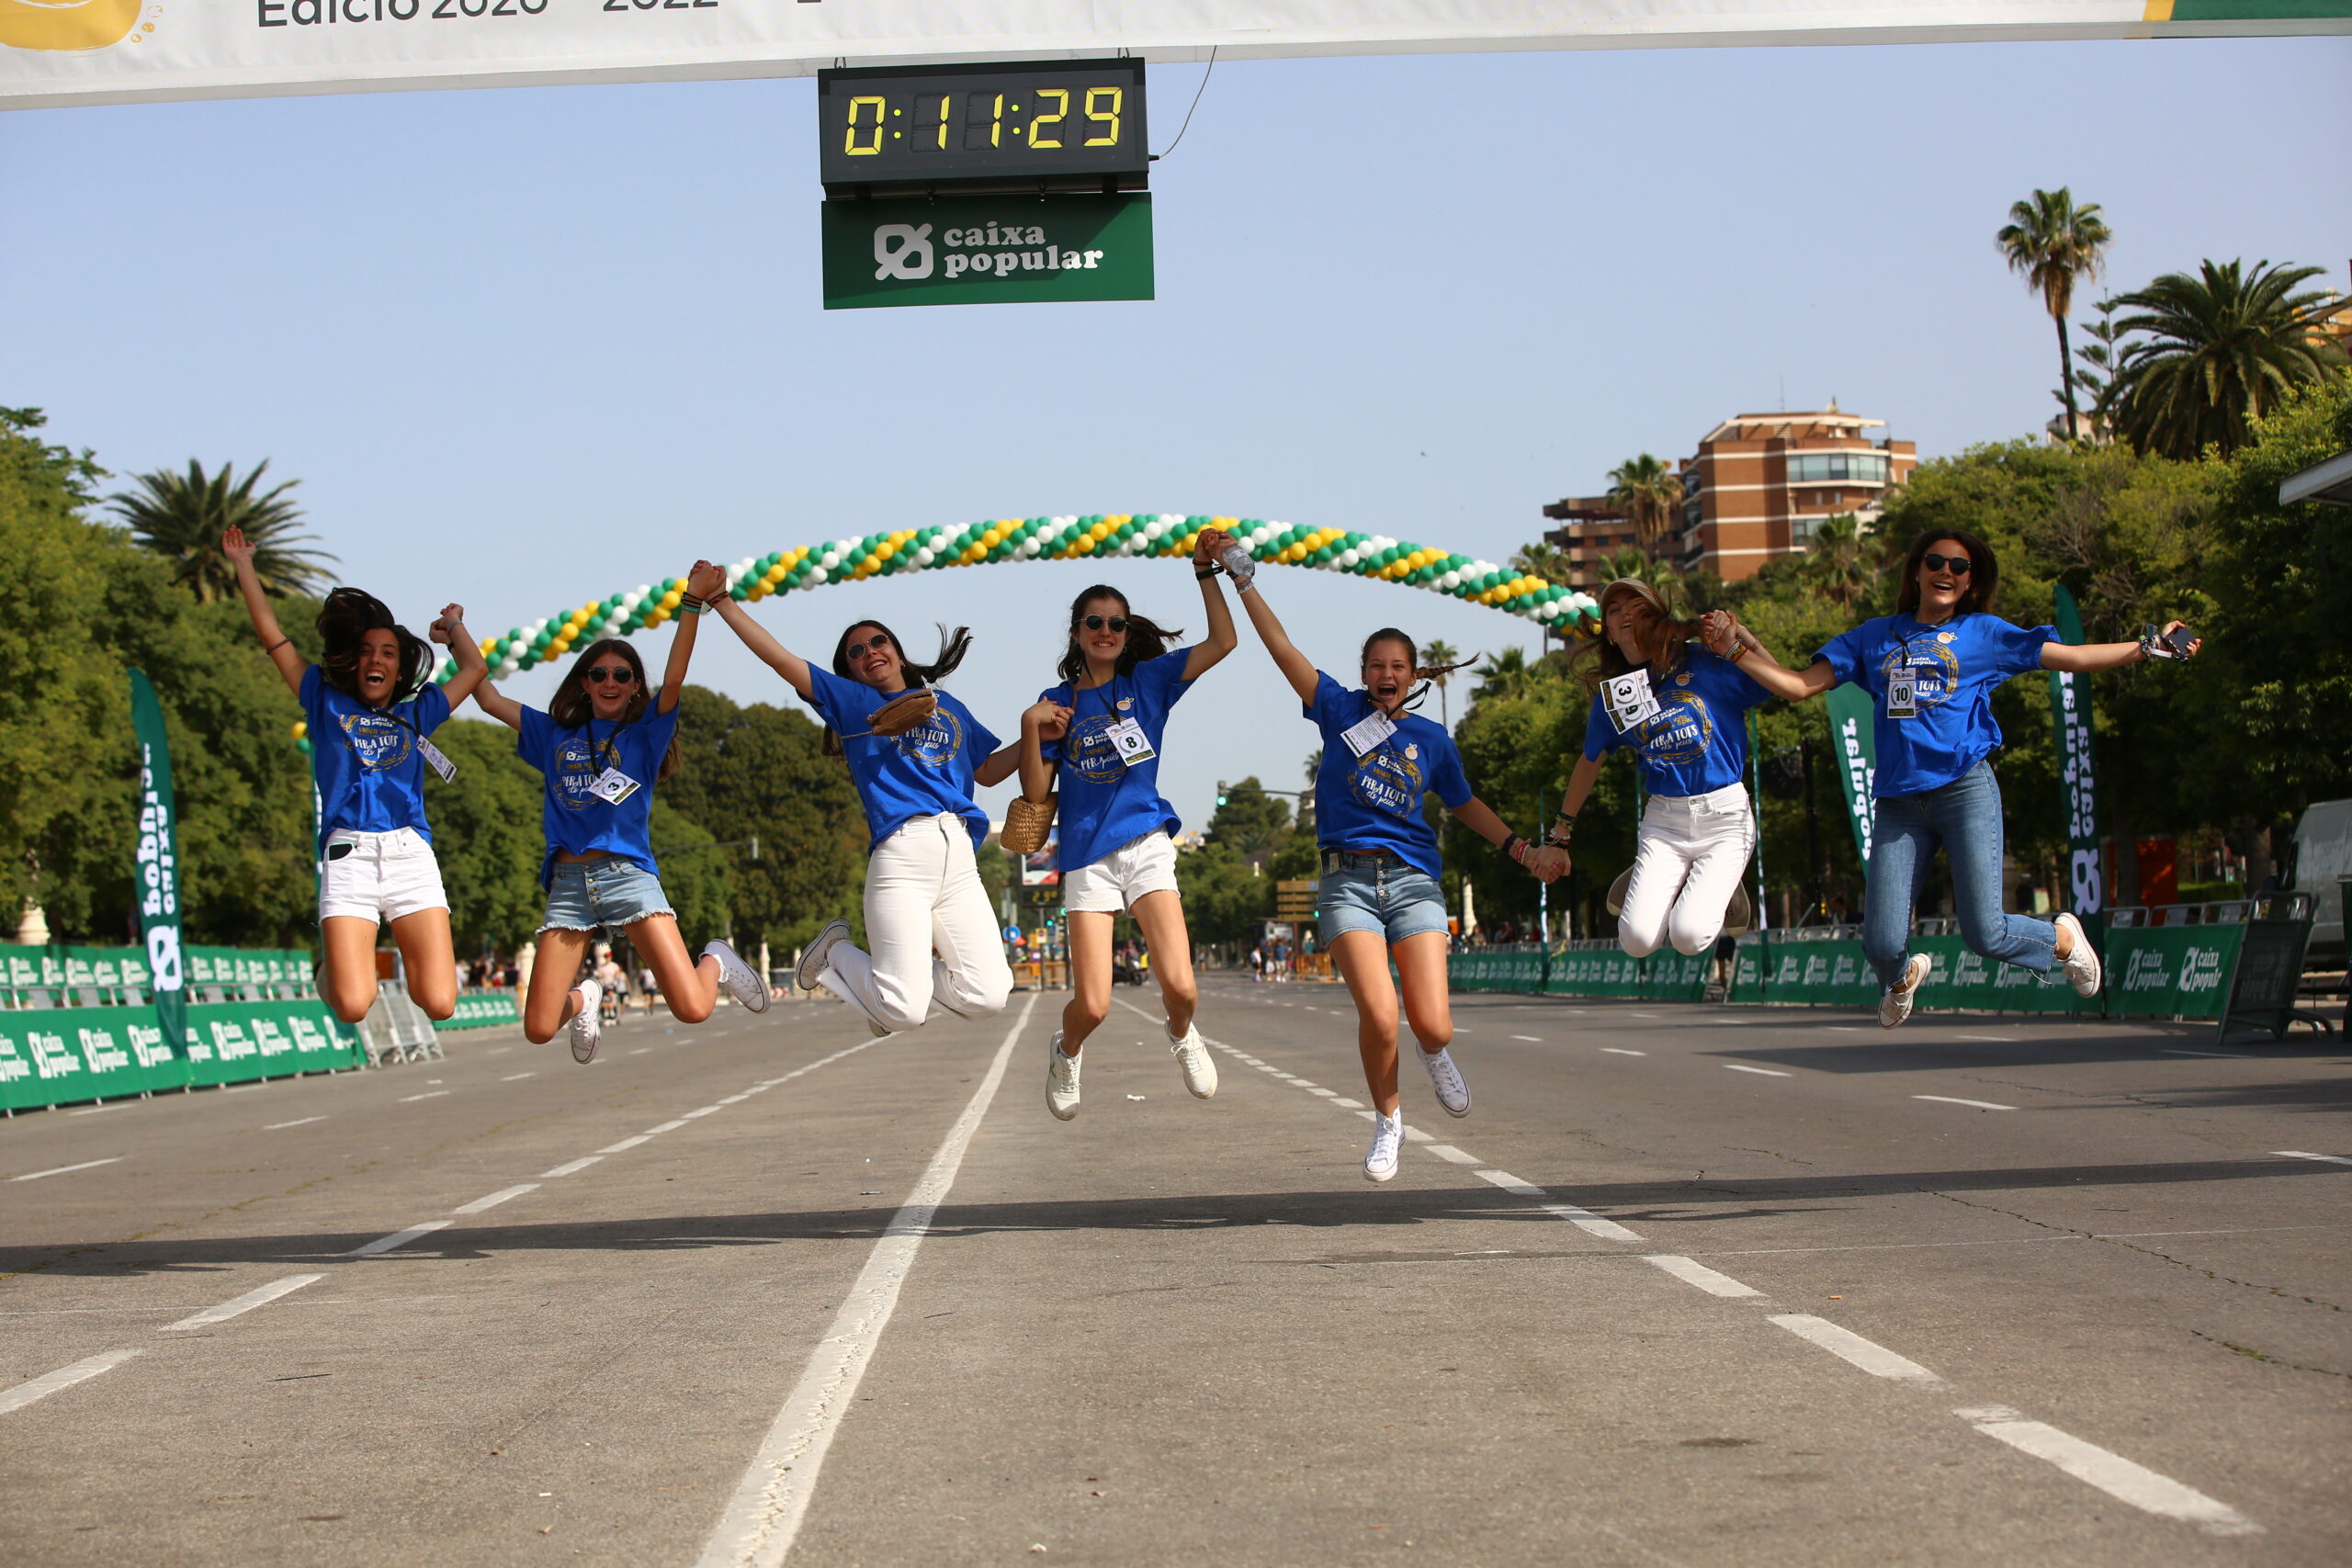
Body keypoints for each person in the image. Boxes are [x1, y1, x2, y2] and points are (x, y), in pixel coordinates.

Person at [1717, 527, 2200, 1027]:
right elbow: (1796, 686)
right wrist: (1737, 649)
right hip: (1900, 803)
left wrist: (2148, 646)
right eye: (1935, 562)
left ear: (1969, 583)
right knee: (1881, 943)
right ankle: (1902, 976)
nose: (1946, 571)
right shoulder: (1872, 637)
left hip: (1964, 790)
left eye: (1960, 566)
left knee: (1984, 933)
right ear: (1917, 572)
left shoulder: (1983, 634)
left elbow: (2073, 658)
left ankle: (2063, 939)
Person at [1230, 570, 1564, 1181]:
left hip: (1413, 881)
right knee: (1381, 1014)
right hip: (1347, 883)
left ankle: (1432, 1048)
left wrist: (1522, 849)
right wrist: (1243, 581)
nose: (1388, 674)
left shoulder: (1432, 739)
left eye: (1399, 665)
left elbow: (1465, 805)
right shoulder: (1335, 708)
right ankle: (1389, 1121)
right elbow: (1281, 647)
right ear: (1364, 672)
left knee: (1432, 1022)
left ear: (1413, 676)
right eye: (1378, 664)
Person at [464, 560, 766, 1062]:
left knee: (693, 1009)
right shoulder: (552, 734)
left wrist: (691, 602)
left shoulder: (645, 735)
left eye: (622, 676)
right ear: (584, 682)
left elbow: (674, 677)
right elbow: (489, 698)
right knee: (539, 1029)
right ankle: (587, 997)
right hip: (568, 885)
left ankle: (714, 960)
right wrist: (456, 631)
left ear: (633, 687)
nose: (610, 681)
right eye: (599, 673)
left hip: (628, 876)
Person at [697, 573, 1019, 1035]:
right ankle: (837, 953)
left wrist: (1039, 735)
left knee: (988, 997)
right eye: (856, 652)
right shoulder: (853, 704)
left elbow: (987, 770)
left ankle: (884, 990)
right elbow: (778, 657)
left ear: (898, 651)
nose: (869, 652)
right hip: (902, 857)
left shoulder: (945, 703)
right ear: (849, 673)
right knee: (905, 1014)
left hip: (960, 857)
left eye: (877, 641)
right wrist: (722, 601)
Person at [225, 526, 482, 1024]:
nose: (376, 660)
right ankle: (332, 972)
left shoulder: (417, 712)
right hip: (349, 856)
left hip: (410, 854)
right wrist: (243, 566)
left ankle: (350, 965)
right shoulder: (322, 699)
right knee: (351, 1004)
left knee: (440, 1003)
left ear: (400, 666)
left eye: (388, 652)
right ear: (352, 660)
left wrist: (452, 627)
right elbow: (272, 637)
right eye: (367, 651)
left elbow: (473, 669)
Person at [1017, 539, 1238, 1120]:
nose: (1106, 630)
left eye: (1115, 622)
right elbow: (1037, 796)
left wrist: (1203, 572)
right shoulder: (1056, 702)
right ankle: (1066, 1052)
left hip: (1146, 843)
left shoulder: (1150, 682)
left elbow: (1224, 642)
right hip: (1086, 855)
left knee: (1182, 989)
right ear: (1076, 632)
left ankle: (1183, 1035)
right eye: (1094, 622)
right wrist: (1030, 725)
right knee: (1092, 1005)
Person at [1551, 578, 1767, 960]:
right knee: (1635, 942)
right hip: (1664, 821)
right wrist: (1561, 831)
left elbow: (1773, 681)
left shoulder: (1701, 659)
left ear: (1653, 614)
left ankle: (1724, 878)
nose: (1625, 613)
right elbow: (1589, 763)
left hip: (1724, 815)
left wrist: (1743, 638)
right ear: (1611, 635)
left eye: (1635, 604)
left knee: (1688, 936)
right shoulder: (1616, 696)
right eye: (1614, 610)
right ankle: (1665, 873)